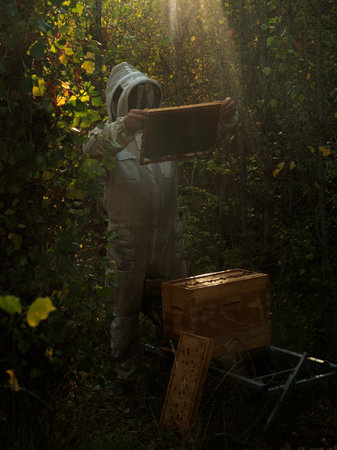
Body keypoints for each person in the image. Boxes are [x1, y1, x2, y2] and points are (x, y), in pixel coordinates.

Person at [83, 62, 237, 382]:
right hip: (126, 242)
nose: (141, 102)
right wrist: (124, 126)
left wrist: (222, 120)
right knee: (125, 313)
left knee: (178, 307)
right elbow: (92, 148)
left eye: (145, 96)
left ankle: (180, 368)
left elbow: (202, 138)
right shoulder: (110, 137)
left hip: (168, 236)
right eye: (134, 97)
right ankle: (127, 379)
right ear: (120, 101)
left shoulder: (166, 135)